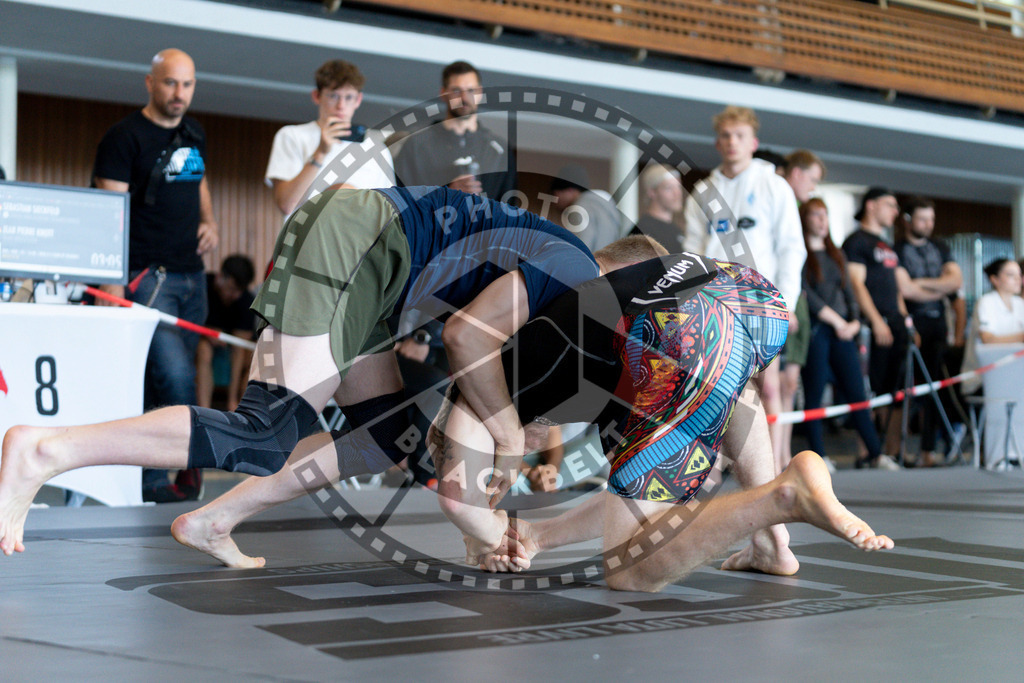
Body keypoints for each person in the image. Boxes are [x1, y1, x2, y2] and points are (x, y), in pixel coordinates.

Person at [0, 185, 640, 560]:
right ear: (618, 273)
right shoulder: (577, 269)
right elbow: (464, 336)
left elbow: (464, 385)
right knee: (262, 432)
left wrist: (487, 488)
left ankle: (210, 519)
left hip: (376, 266)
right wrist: (505, 436)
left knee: (380, 434)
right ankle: (47, 450)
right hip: (359, 243)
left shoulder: (558, 276)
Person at [434, 251, 892, 587]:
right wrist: (530, 537)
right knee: (729, 388)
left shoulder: (483, 384)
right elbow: (631, 499)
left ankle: (783, 498)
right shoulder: (606, 373)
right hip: (751, 295)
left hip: (670, 329)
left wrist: (483, 535)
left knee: (629, 568)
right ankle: (773, 543)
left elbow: (459, 500)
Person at [91, 48, 219, 502]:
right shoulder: (124, 137)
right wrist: (110, 279)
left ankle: (152, 480)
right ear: (150, 83)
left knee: (165, 381)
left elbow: (199, 181)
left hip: (192, 276)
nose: (179, 93)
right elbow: (110, 210)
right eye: (170, 83)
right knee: (176, 378)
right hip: (146, 277)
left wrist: (209, 220)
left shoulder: (193, 132)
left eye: (187, 84)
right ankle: (173, 470)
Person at [683, 106, 805, 472]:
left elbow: (791, 247)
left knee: (769, 390)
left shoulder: (773, 184)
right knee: (716, 388)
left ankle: (779, 466)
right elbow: (692, 252)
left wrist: (787, 302)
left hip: (762, 303)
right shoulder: (703, 192)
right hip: (716, 303)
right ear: (718, 143)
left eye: (739, 135)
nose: (732, 142)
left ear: (752, 142)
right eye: (725, 136)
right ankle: (720, 468)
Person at [842, 188, 944, 465]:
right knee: (872, 389)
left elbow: (896, 289)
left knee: (897, 389)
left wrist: (906, 322)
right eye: (890, 205)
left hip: (896, 323)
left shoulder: (886, 245)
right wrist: (876, 321)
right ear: (871, 206)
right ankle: (868, 451)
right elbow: (856, 284)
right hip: (875, 325)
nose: (896, 212)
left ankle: (893, 450)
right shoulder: (856, 242)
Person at [800, 198, 883, 469]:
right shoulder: (800, 254)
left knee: (857, 392)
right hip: (818, 329)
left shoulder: (837, 254)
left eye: (825, 215)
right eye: (816, 215)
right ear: (805, 219)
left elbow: (849, 292)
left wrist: (855, 323)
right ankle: (819, 456)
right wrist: (837, 321)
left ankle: (876, 453)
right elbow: (806, 294)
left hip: (846, 331)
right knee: (814, 394)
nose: (822, 221)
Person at [264, 60, 394, 217]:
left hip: (358, 239)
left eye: (349, 97)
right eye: (333, 96)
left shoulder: (376, 149)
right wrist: (320, 153)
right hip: (308, 239)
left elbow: (387, 214)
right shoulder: (292, 136)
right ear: (317, 96)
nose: (341, 105)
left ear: (358, 100)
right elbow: (286, 205)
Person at [894, 196, 963, 467]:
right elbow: (905, 291)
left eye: (931, 219)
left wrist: (921, 282)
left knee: (938, 389)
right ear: (908, 220)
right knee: (908, 389)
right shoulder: (897, 249)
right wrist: (940, 285)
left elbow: (956, 281)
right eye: (922, 219)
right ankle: (898, 449)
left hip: (938, 326)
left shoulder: (940, 247)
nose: (928, 225)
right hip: (913, 325)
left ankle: (929, 451)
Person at [394, 61, 516, 201]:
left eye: (471, 90)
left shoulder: (499, 150)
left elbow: (509, 209)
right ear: (443, 93)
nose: (464, 98)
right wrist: (445, 194)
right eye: (456, 90)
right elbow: (400, 202)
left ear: (480, 92)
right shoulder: (416, 145)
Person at [776, 149, 826, 467]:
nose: (813, 187)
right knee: (771, 384)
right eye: (813, 179)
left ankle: (782, 455)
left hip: (797, 299)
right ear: (796, 173)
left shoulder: (795, 206)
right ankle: (770, 460)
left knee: (789, 384)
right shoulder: (780, 202)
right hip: (779, 299)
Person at [196, 255, 257, 412]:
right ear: (219, 277)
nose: (235, 295)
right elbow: (190, 324)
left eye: (239, 291)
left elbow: (239, 349)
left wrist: (232, 401)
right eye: (231, 289)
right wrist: (206, 333)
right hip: (205, 344)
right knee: (203, 349)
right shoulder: (202, 286)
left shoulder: (246, 301)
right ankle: (204, 412)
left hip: (235, 351)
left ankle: (239, 409)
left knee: (251, 356)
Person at [550, 164, 624, 253]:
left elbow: (581, 248)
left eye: (557, 193)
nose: (556, 200)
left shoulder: (579, 207)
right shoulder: (606, 205)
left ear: (570, 190)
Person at [629, 164, 685, 253]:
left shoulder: (676, 230)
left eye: (678, 187)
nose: (677, 193)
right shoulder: (642, 231)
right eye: (669, 188)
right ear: (652, 192)